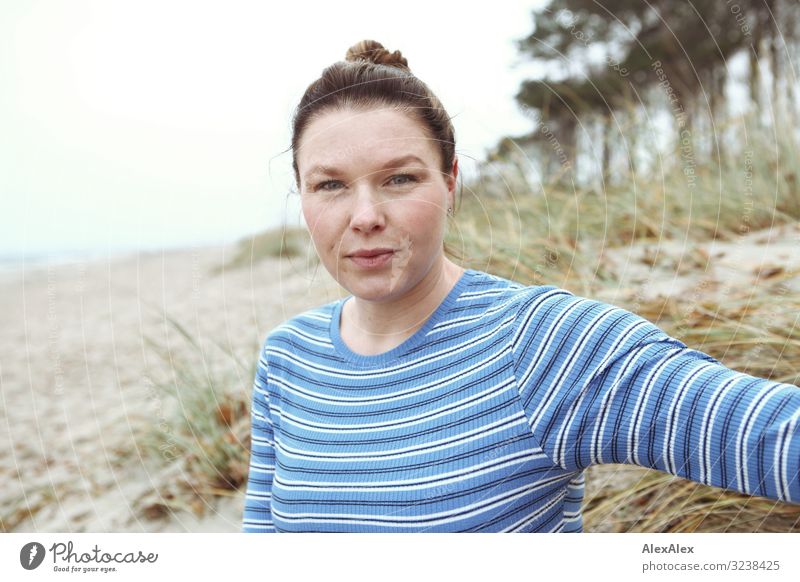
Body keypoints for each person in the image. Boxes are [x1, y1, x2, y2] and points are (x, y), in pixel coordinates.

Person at [242, 40, 800, 533]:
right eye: (330, 185)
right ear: (302, 196)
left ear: (451, 183)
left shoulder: (538, 345)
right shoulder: (287, 359)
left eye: (400, 178)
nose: (364, 215)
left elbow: (770, 436)